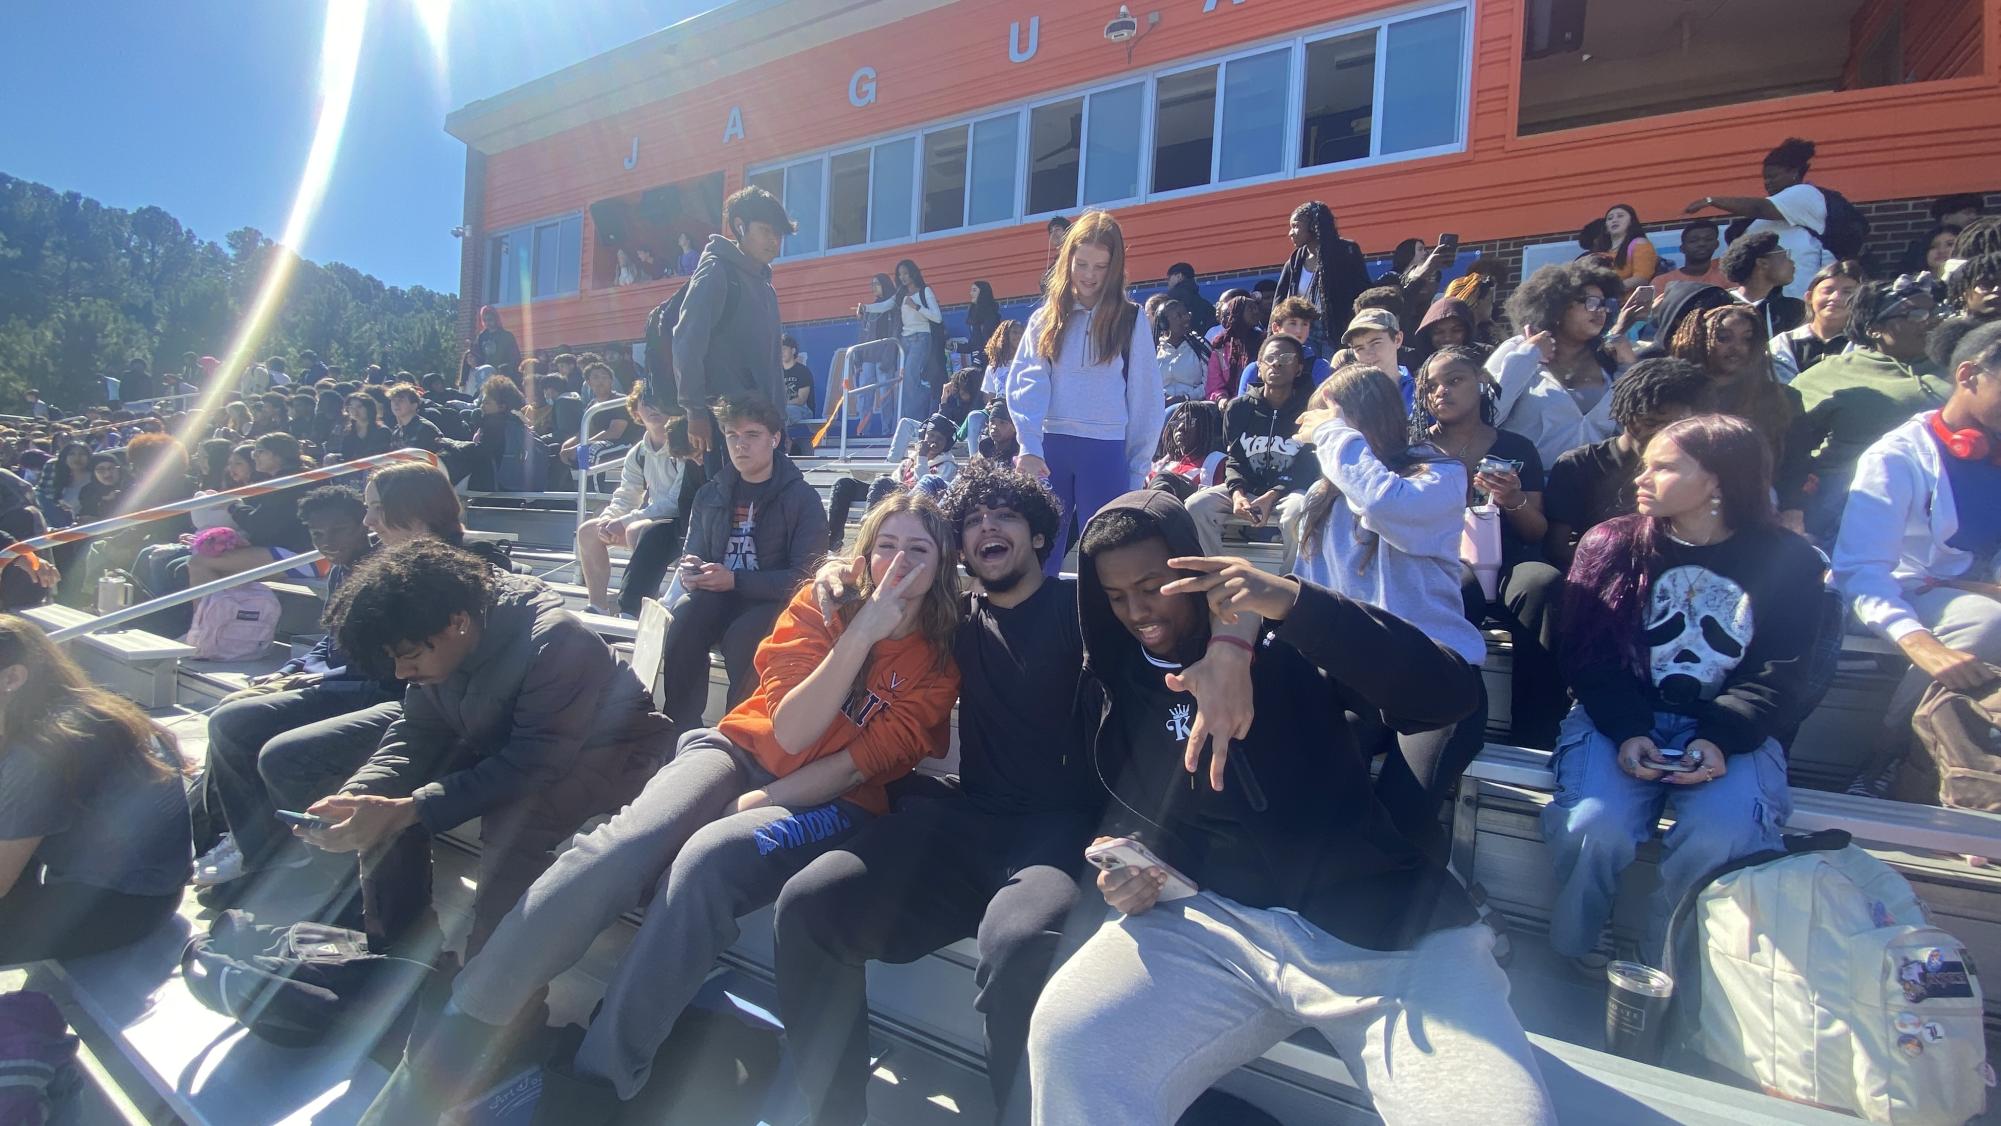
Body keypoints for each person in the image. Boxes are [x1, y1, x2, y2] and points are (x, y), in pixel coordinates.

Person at [364, 494, 961, 1121]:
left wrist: (750, 803)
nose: (899, 563)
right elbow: (786, 730)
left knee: (706, 859)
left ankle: (599, 1082)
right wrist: (861, 630)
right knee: (624, 845)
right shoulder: (822, 603)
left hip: (834, 798)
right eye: (886, 546)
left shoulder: (938, 663)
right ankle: (467, 1018)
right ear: (864, 554)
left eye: (918, 550)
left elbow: (844, 765)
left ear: (942, 563)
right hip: (736, 747)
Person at [1026, 494, 1556, 1126]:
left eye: (1153, 584)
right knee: (1069, 1040)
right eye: (1115, 595)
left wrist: (1289, 603)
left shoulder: (1285, 639)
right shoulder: (1113, 682)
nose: (1138, 611)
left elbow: (1444, 697)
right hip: (1215, 923)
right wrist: (1134, 870)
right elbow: (1152, 813)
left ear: (1196, 569)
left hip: (1383, 936)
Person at [775, 465, 1091, 1126]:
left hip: (1056, 836)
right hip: (969, 818)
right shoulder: (954, 620)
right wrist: (838, 573)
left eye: (1003, 514)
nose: (985, 527)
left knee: (1019, 945)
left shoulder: (1082, 610)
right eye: (973, 519)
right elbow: (884, 571)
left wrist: (1228, 647)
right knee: (809, 906)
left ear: (1038, 536)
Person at [302, 540, 672, 959]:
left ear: (457, 622)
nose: (401, 672)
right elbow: (418, 732)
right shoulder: (437, 638)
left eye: (407, 657)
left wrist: (413, 808)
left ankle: (488, 995)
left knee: (515, 824)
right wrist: (361, 792)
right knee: (382, 808)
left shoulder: (557, 641)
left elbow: (535, 764)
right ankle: (403, 952)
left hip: (617, 752)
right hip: (514, 741)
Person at [1549, 414, 1824, 969]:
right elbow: (1586, 653)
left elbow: (1783, 668)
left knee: (1723, 834)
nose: (1640, 480)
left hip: (1731, 729)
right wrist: (1628, 730)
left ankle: (1661, 960)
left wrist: (1722, 737)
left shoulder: (1789, 561)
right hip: (1619, 715)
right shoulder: (1614, 543)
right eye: (1644, 465)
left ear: (1719, 480)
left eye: (1664, 467)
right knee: (1593, 828)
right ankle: (1572, 947)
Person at [1293, 364, 1489, 848]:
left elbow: (1384, 506)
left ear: (1359, 420)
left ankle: (1450, 907)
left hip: (1436, 681)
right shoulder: (1321, 500)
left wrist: (1333, 432)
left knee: (1401, 822)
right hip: (1359, 683)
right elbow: (1309, 594)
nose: (1316, 429)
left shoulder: (1439, 474)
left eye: (1328, 417)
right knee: (1323, 807)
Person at [193, 487, 400, 893]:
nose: (327, 542)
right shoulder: (340, 569)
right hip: (330, 679)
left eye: (339, 530)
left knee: (233, 722)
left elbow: (380, 665)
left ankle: (262, 850)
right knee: (232, 707)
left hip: (364, 689)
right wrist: (290, 668)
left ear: (364, 523)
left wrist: (314, 678)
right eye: (316, 534)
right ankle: (235, 836)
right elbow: (329, 640)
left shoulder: (385, 573)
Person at [1833, 319, 2001, 724]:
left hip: (1978, 589)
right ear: (1969, 375)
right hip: (1898, 596)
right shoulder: (1896, 457)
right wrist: (1922, 643)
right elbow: (1861, 572)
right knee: (1986, 624)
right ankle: (1887, 764)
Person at [0, 615, 190, 964]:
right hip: (149, 887)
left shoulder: (41, 751)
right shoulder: (76, 709)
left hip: (119, 905)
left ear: (13, 677)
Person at [1414, 346, 1565, 747]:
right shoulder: (1414, 451)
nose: (1441, 392)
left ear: (1482, 383)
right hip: (1445, 561)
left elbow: (1536, 531)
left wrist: (1512, 499)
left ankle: (1536, 736)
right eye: (1431, 386)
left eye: (1454, 380)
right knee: (1453, 591)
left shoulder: (1516, 448)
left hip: (1511, 560)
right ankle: (1454, 724)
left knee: (1543, 585)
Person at [656, 396, 830, 735]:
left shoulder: (801, 498)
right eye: (732, 435)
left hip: (772, 601)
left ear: (775, 439)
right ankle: (679, 730)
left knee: (744, 638)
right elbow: (696, 551)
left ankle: (735, 737)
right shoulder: (711, 492)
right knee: (684, 617)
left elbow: (805, 578)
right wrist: (693, 568)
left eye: (752, 435)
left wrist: (735, 580)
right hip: (719, 593)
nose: (740, 445)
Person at [1007, 210, 1164, 570]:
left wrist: (1137, 467)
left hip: (1106, 451)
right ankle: (1040, 623)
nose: (1090, 276)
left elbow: (1145, 398)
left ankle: (1100, 626)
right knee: (1040, 551)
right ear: (1067, 260)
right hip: (1050, 449)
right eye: (1082, 264)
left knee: (1106, 555)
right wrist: (1029, 445)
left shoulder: (1131, 318)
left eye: (1101, 266)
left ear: (1115, 266)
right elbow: (1027, 382)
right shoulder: (1045, 317)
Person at [1786, 274, 1949, 543]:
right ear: (1874, 328)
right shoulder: (1834, 374)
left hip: (1944, 501)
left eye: (1936, 312)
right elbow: (1783, 436)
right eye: (1916, 314)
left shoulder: (1958, 368)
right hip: (1850, 505)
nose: (1931, 322)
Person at [1543, 358, 1708, 568]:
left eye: (1677, 425)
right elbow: (1556, 548)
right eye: (1652, 423)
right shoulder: (1578, 465)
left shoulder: (1697, 469)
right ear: (1626, 416)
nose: (1664, 434)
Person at [669, 186, 794, 460]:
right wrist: (695, 412)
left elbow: (771, 365)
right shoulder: (717, 272)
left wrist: (779, 423)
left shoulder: (764, 285)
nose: (774, 240)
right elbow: (686, 344)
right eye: (765, 230)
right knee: (723, 502)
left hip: (763, 426)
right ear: (740, 226)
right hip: (725, 429)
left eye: (779, 234)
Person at [1486, 260, 1632, 468]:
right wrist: (1529, 355)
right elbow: (1487, 415)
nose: (1600, 311)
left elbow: (1629, 430)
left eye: (1604, 304)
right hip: (1525, 491)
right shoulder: (1518, 349)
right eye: (1590, 302)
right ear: (1558, 305)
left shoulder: (1611, 359)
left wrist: (1629, 369)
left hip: (1595, 490)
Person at [1187, 334, 1316, 566]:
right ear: (1259, 368)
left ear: (1298, 368)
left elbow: (1309, 467)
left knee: (1299, 513)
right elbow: (1235, 460)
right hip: (1246, 490)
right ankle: (1218, 577)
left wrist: (1272, 495)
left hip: (1289, 492)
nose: (1276, 363)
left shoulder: (1311, 410)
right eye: (1270, 358)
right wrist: (1238, 494)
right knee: (1197, 506)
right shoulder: (1239, 408)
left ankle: (1292, 586)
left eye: (1286, 358)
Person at [575, 384, 701, 618]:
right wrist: (608, 519)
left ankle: (643, 605)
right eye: (645, 402)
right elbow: (627, 494)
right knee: (588, 531)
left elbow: (676, 501)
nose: (653, 408)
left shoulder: (683, 444)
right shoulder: (638, 453)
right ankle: (598, 606)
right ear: (636, 412)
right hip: (652, 519)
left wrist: (625, 522)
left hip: (681, 523)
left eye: (659, 401)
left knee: (636, 530)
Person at [1684, 137, 1832, 299]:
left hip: (1795, 297)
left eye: (1773, 177)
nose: (1767, 183)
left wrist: (1711, 201)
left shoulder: (1805, 193)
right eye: (1765, 178)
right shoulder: (1776, 210)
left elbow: (1758, 207)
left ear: (1794, 173)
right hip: (1765, 300)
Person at [1668, 303, 1802, 473]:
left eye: (1747, 339)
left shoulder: (1781, 398)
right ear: (1699, 338)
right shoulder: (1675, 393)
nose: (1737, 347)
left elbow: (1795, 464)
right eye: (1724, 337)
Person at [1274, 201, 1371, 359]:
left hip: (1335, 331)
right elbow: (1279, 304)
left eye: (1296, 226)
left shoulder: (1346, 251)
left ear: (1313, 225)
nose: (1290, 233)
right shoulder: (1295, 261)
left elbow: (1361, 293)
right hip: (1302, 330)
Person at [866, 259, 945, 422]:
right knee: (903, 381)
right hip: (904, 341)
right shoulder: (901, 294)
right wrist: (865, 307)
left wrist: (916, 306)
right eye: (899, 274)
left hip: (921, 338)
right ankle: (909, 417)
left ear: (913, 273)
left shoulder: (925, 291)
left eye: (905, 273)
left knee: (909, 377)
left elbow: (937, 317)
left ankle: (913, 421)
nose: (902, 277)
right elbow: (885, 305)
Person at [1771, 260, 1866, 383]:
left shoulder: (1868, 345)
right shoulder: (1783, 344)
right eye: (1828, 291)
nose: (1835, 297)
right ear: (1809, 297)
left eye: (1847, 292)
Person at [1721, 231, 1806, 338]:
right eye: (1785, 256)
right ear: (1762, 263)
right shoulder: (1720, 305)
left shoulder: (1795, 309)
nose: (1792, 262)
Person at [1202, 294, 1263, 401]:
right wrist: (1221, 398)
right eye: (1251, 308)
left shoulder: (1264, 342)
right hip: (1230, 405)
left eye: (1256, 308)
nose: (1256, 312)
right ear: (1238, 313)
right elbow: (1214, 385)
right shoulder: (1220, 347)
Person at [1154, 299, 1207, 402]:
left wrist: (1186, 398)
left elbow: (1210, 383)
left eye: (1186, 314)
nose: (1186, 318)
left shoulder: (1200, 347)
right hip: (1160, 409)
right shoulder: (1153, 352)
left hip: (1193, 407)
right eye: (1179, 315)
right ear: (1164, 324)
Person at [1657, 220, 1728, 289]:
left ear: (1716, 244)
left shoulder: (1727, 278)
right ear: (1682, 248)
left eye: (1708, 239)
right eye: (1693, 240)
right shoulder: (1663, 281)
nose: (1701, 244)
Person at [1604, 204, 1659, 290]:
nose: (1614, 220)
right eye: (1610, 218)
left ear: (1631, 222)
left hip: (1630, 302)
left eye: (1620, 216)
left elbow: (1641, 279)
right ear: (1606, 227)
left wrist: (1612, 290)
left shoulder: (1640, 243)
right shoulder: (1602, 251)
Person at [333, 393, 393, 463]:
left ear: (369, 408)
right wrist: (334, 456)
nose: (355, 411)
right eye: (351, 407)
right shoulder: (347, 431)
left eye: (359, 407)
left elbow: (381, 455)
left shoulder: (382, 431)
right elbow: (346, 455)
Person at [1163, 261, 1216, 336]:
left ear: (1179, 276)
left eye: (1169, 278)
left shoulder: (1169, 299)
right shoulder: (1206, 305)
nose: (1168, 282)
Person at [472, 306, 522, 376]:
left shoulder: (507, 336)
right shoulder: (481, 337)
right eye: (484, 320)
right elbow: (477, 357)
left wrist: (508, 371)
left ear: (496, 319)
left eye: (490, 319)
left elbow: (515, 358)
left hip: (503, 375)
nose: (487, 323)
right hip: (485, 375)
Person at [75, 453, 125, 522]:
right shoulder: (87, 492)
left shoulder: (131, 485)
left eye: (111, 468)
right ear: (94, 473)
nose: (108, 473)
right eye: (101, 469)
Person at [780, 334, 816, 427]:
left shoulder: (803, 371)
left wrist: (781, 405)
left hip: (803, 410)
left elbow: (801, 400)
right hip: (783, 408)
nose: (781, 352)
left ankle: (785, 439)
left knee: (783, 412)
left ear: (793, 351)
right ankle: (785, 439)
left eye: (784, 349)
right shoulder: (776, 373)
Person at [965, 280, 1003, 360]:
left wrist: (979, 358)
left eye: (974, 290)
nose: (970, 293)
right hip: (978, 361)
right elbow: (973, 345)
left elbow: (989, 342)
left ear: (983, 293)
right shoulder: (973, 312)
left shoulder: (992, 316)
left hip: (990, 360)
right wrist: (954, 346)